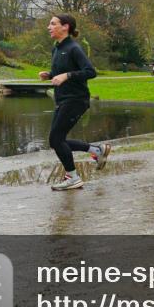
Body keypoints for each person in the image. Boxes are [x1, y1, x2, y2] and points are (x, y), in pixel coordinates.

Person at [39, 14, 111, 191]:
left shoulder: (73, 48)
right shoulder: (57, 49)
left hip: (76, 100)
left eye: (53, 24)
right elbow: (64, 69)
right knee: (57, 140)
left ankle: (73, 177)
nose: (49, 27)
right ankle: (96, 151)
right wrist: (50, 74)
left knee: (56, 139)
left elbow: (90, 72)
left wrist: (67, 75)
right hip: (63, 99)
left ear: (65, 27)